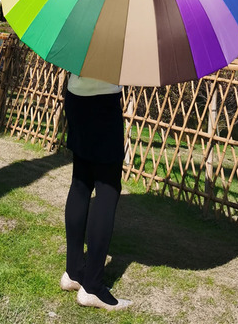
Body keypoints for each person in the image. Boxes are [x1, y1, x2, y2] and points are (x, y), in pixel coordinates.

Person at [60, 73, 132, 311]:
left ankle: (73, 272)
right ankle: (92, 287)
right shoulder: (121, 34)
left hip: (75, 95)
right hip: (103, 102)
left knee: (80, 183)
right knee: (107, 190)